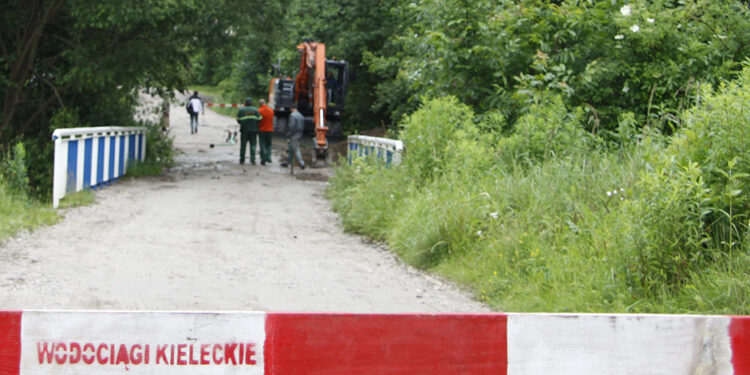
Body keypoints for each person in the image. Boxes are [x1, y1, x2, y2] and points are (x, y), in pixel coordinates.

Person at [236, 98, 261, 165]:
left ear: (245, 103)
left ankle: (242, 159)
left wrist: (243, 123)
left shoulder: (242, 110)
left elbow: (238, 120)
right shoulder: (255, 110)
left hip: (244, 130)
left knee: (243, 145)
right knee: (253, 145)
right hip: (253, 130)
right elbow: (259, 119)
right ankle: (252, 160)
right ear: (251, 103)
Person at [281, 104, 305, 169]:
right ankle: (287, 162)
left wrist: (288, 134)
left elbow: (291, 126)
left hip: (294, 134)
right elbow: (303, 126)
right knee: (291, 149)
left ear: (292, 108)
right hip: (299, 133)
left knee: (296, 149)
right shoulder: (301, 115)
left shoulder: (292, 115)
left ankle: (301, 163)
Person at [257, 99, 274, 165]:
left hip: (262, 130)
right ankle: (268, 157)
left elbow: (258, 120)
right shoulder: (271, 110)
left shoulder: (259, 111)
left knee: (262, 144)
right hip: (270, 130)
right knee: (269, 144)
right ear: (265, 103)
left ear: (260, 104)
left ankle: (263, 159)